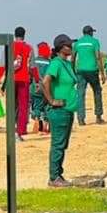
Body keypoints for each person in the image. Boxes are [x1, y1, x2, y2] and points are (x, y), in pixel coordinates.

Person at [41, 34, 78, 187]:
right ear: (61, 48)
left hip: (68, 110)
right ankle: (54, 176)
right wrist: (52, 100)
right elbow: (45, 81)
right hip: (59, 111)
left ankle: (58, 174)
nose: (72, 47)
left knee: (62, 144)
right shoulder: (56, 63)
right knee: (58, 144)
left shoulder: (67, 64)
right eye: (69, 45)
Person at [0, 27, 33, 139]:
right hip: (24, 81)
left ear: (15, 35)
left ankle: (11, 129)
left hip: (11, 80)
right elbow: (33, 67)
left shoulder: (9, 47)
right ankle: (20, 132)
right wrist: (35, 79)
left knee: (11, 105)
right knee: (23, 106)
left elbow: (2, 66)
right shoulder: (29, 48)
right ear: (24, 35)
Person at [72, 24, 105, 125]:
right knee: (97, 91)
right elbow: (98, 57)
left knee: (80, 94)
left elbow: (72, 58)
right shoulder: (94, 42)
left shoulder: (77, 43)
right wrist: (102, 73)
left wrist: (73, 71)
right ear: (90, 33)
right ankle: (98, 117)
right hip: (92, 70)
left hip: (80, 70)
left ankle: (81, 119)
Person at [29, 41, 51, 134]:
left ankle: (37, 123)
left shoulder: (34, 61)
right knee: (46, 107)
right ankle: (45, 127)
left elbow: (30, 73)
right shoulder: (50, 62)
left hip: (34, 88)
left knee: (36, 107)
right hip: (45, 89)